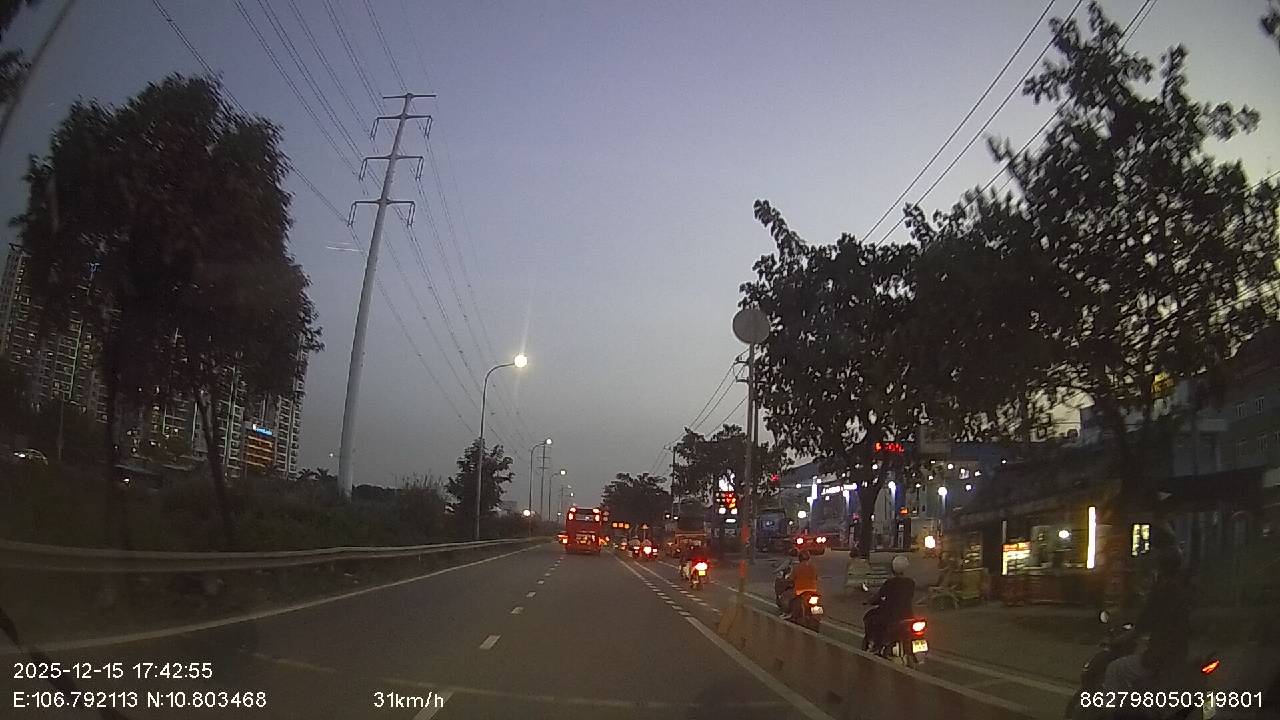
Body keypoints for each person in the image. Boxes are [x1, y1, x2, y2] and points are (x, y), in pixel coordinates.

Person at [1102, 539, 1192, 692]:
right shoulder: (1183, 589)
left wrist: (1116, 641)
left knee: (1114, 669)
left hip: (1158, 657)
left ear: (1159, 568)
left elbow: (1141, 627)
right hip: (1179, 654)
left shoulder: (1162, 592)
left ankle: (1112, 706)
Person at [864, 554, 916, 651]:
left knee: (872, 619)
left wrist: (870, 601)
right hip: (908, 614)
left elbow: (879, 596)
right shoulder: (910, 582)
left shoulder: (890, 582)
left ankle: (877, 645)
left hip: (891, 615)